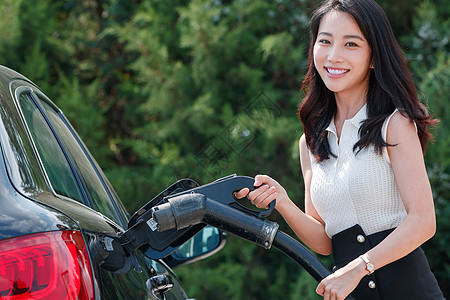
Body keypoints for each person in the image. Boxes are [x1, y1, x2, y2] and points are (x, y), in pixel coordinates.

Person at [235, 0, 445, 299]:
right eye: (325, 41)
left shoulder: (394, 124)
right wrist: (282, 201)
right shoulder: (310, 142)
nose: (334, 56)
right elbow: (324, 240)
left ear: (374, 56)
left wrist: (360, 266)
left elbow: (424, 221)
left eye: (351, 44)